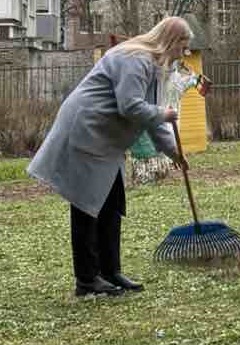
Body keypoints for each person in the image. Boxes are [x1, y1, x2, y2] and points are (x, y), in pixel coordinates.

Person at [28, 16, 193, 297]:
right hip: (88, 129)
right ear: (171, 41)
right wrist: (162, 114)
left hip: (105, 138)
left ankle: (110, 271)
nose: (184, 53)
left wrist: (173, 152)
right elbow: (130, 106)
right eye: (182, 46)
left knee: (113, 202)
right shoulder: (136, 59)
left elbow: (150, 116)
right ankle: (87, 279)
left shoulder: (154, 67)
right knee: (86, 203)